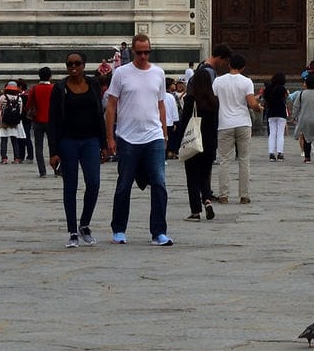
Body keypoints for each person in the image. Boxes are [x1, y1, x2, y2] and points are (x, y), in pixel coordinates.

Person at [105, 33, 172, 246]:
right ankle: (119, 228)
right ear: (132, 51)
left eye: (147, 52)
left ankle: (159, 232)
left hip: (153, 136)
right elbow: (112, 105)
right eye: (140, 52)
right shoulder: (121, 74)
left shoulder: (158, 73)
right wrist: (110, 137)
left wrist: (164, 132)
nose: (143, 56)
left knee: (159, 184)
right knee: (124, 185)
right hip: (127, 137)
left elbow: (161, 103)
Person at [49, 52, 106, 246]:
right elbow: (53, 121)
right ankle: (73, 231)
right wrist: (53, 152)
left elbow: (100, 114)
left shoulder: (93, 85)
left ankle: (85, 224)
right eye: (70, 64)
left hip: (91, 141)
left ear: (84, 65)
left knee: (94, 183)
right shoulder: (59, 88)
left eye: (77, 63)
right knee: (70, 187)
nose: (73, 66)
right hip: (68, 142)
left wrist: (104, 144)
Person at [209, 48, 258, 204]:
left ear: (229, 64)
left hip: (224, 124)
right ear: (243, 67)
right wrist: (258, 107)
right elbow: (251, 103)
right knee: (244, 160)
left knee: (224, 160)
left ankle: (223, 195)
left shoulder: (218, 81)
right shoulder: (246, 81)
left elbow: (213, 100)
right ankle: (244, 195)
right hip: (243, 123)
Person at [177, 59, 219, 222]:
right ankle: (207, 200)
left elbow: (184, 122)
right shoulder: (214, 101)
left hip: (194, 141)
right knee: (205, 174)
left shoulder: (190, 100)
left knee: (192, 176)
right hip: (209, 143)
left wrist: (176, 144)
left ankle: (195, 211)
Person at [27, 67, 54, 177]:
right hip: (52, 121)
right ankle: (57, 169)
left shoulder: (34, 89)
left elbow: (28, 105)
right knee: (54, 146)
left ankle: (42, 171)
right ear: (50, 76)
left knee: (39, 147)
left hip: (37, 121)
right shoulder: (54, 88)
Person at [263, 68, 290, 160]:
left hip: (271, 112)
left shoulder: (268, 88)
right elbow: (285, 99)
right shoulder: (282, 89)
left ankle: (271, 153)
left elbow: (265, 100)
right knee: (280, 133)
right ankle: (280, 153)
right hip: (281, 112)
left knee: (272, 133)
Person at [0, 82, 28, 162]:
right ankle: (16, 158)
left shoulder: (2, 97)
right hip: (14, 122)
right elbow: (20, 112)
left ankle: (4, 158)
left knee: (4, 139)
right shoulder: (19, 98)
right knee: (14, 139)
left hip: (3, 121)